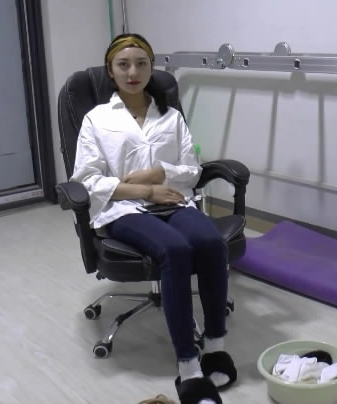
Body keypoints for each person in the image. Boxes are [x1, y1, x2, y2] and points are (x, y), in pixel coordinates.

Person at [70, 33, 237, 404]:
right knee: (175, 250)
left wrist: (159, 173)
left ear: (151, 68)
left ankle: (215, 347)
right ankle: (188, 365)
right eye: (123, 65)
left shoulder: (171, 117)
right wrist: (145, 191)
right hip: (122, 208)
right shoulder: (97, 119)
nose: (133, 72)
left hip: (174, 201)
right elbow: (87, 180)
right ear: (111, 72)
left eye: (141, 63)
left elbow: (191, 170)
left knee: (211, 242)